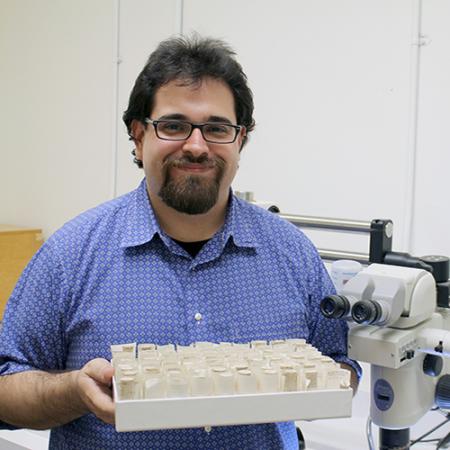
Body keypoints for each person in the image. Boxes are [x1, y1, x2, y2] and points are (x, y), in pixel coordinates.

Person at [0, 35, 360, 449]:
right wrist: (72, 391)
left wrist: (322, 382)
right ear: (138, 135)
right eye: (173, 125)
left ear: (241, 139)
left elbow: (339, 363)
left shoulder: (292, 253)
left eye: (217, 128)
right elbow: (7, 389)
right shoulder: (70, 255)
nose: (196, 146)